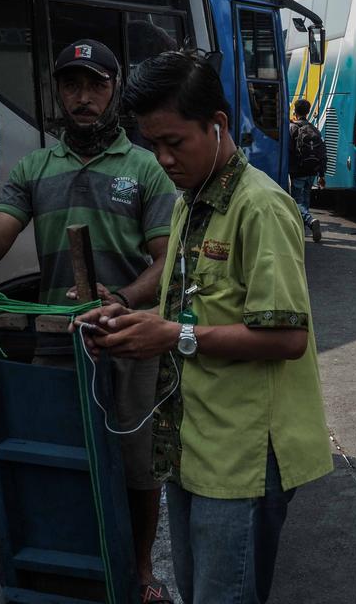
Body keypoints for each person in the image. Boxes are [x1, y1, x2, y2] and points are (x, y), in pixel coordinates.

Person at [74, 50, 332, 604]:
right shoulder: (189, 202)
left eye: (174, 143)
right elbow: (190, 310)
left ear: (216, 126)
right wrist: (129, 317)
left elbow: (288, 338)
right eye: (153, 145)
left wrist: (171, 336)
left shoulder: (260, 207)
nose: (163, 159)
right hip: (192, 445)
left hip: (243, 458)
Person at [0, 39, 176, 602]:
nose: (83, 97)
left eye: (96, 84)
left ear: (116, 90)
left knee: (137, 468)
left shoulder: (145, 167)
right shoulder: (34, 167)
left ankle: (139, 571)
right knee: (62, 458)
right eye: (72, 85)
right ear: (59, 93)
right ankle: (76, 563)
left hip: (129, 338)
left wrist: (120, 297)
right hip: (58, 345)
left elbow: (166, 264)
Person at [288, 98, 325, 242]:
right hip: (312, 171)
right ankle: (303, 230)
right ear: (308, 112)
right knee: (306, 200)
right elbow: (322, 153)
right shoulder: (314, 129)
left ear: (295, 111)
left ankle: (310, 221)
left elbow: (289, 150)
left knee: (297, 201)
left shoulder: (292, 128)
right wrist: (321, 174)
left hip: (298, 170)